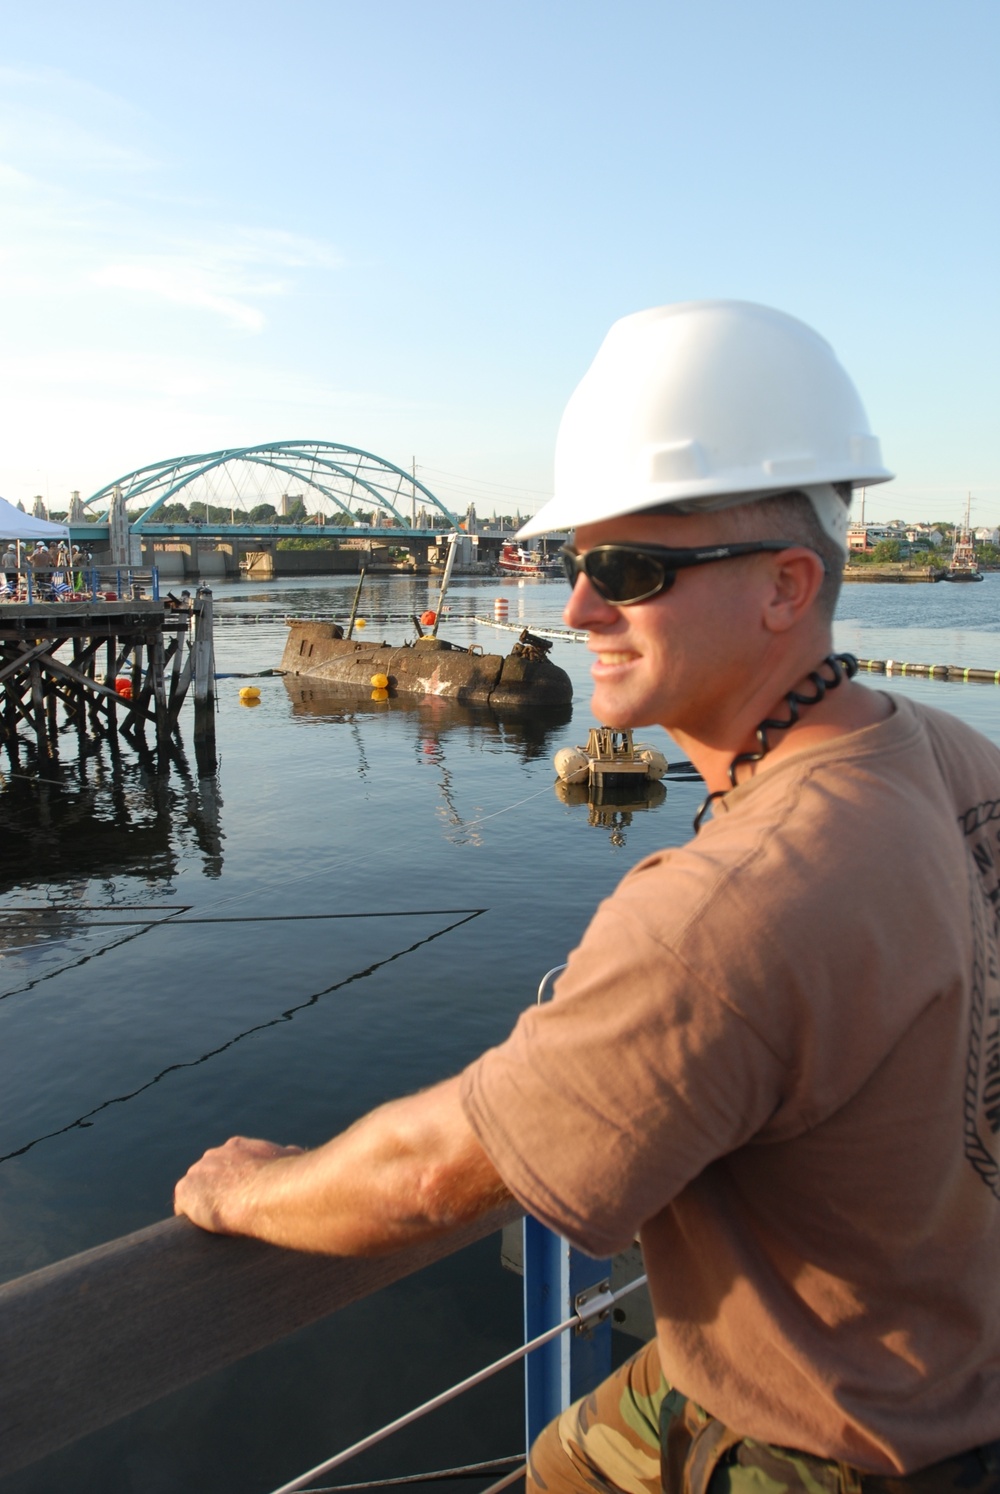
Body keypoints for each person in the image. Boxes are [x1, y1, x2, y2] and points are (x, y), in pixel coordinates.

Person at [175, 301, 1000, 1494]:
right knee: (561, 1458)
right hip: (954, 1379)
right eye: (575, 562)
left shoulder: (727, 908)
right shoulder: (950, 756)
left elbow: (426, 1182)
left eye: (627, 570)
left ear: (786, 585)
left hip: (833, 1449)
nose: (573, 612)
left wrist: (246, 1192)